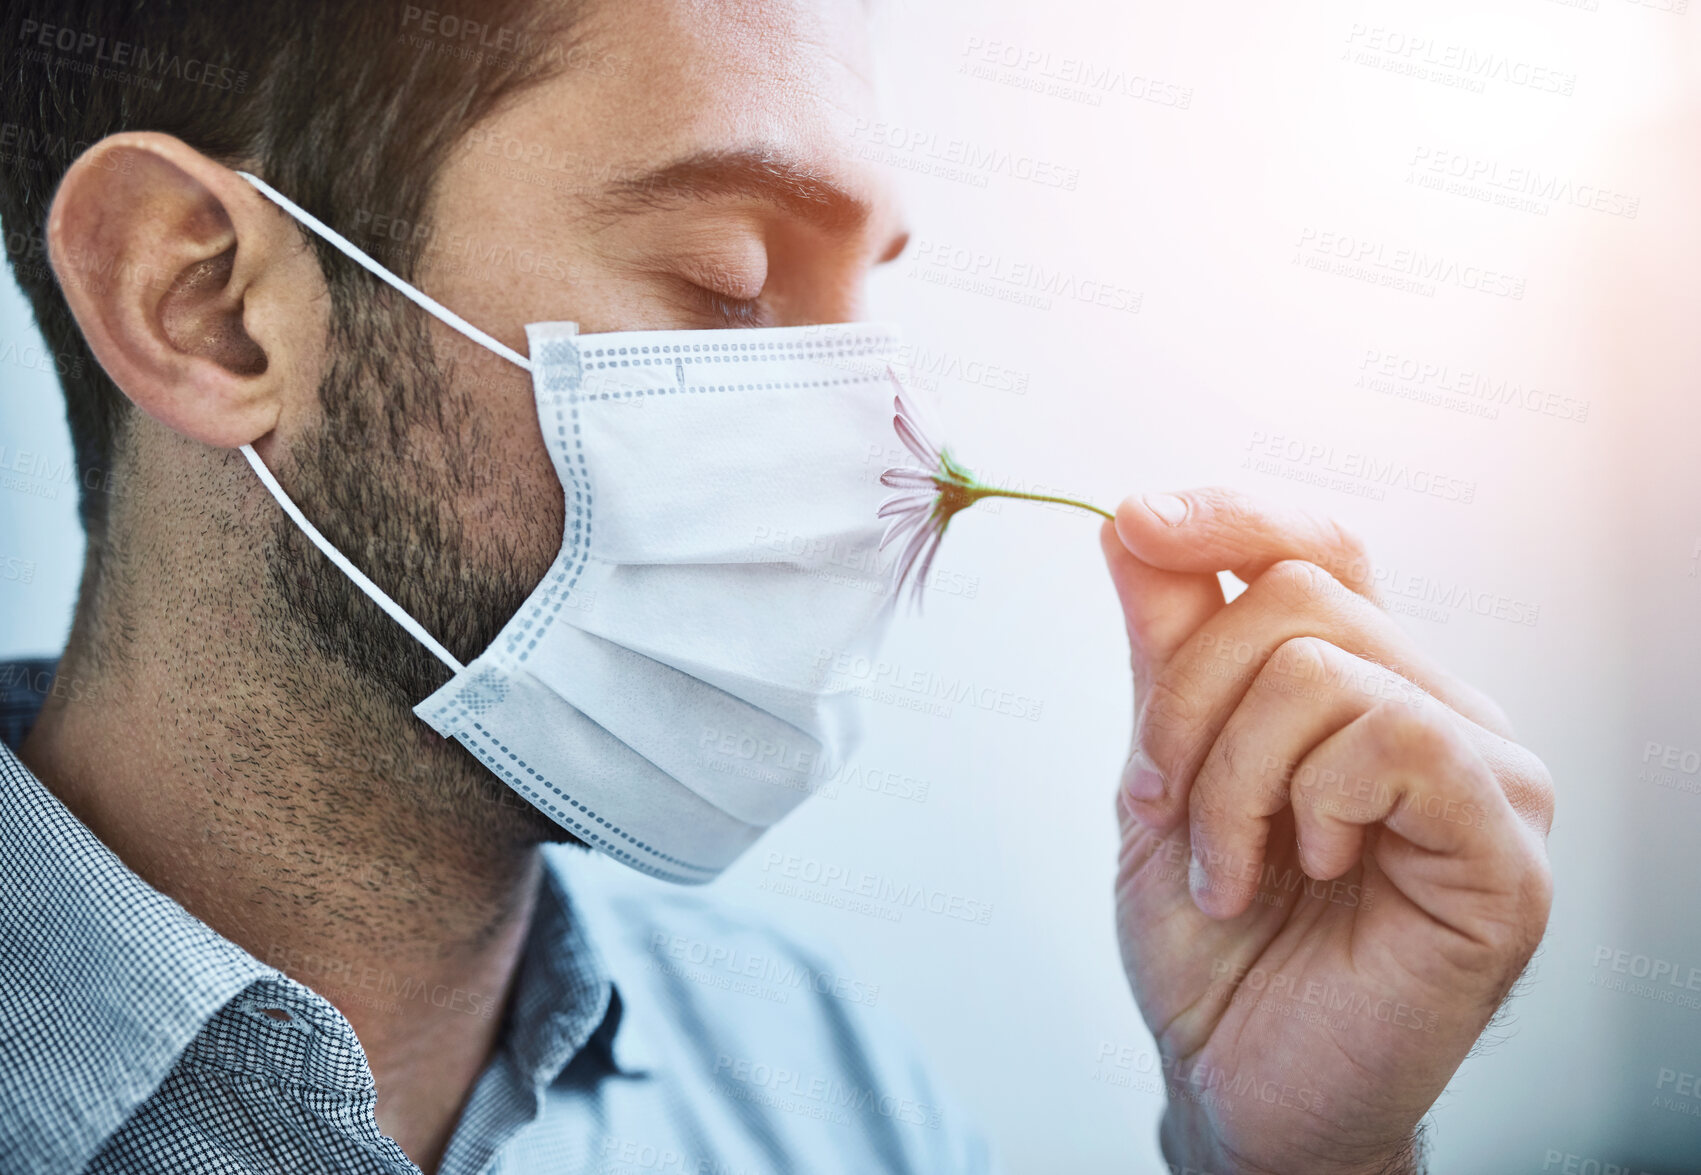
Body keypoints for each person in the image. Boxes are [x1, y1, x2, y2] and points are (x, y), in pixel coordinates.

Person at [0, 2, 1555, 1172]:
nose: (893, 445)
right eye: (726, 285)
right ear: (202, 305)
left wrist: (1289, 1162)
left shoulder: (822, 1085)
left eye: (864, 312)